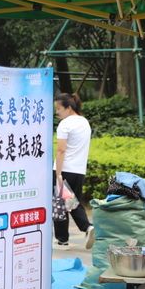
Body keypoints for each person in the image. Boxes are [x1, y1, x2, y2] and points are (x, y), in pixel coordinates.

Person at [54, 92, 94, 248]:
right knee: (71, 202)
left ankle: (63, 240)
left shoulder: (65, 124)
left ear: (69, 108)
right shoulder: (84, 122)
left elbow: (61, 150)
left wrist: (58, 173)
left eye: (59, 108)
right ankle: (87, 227)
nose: (57, 112)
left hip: (65, 169)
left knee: (61, 204)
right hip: (79, 171)